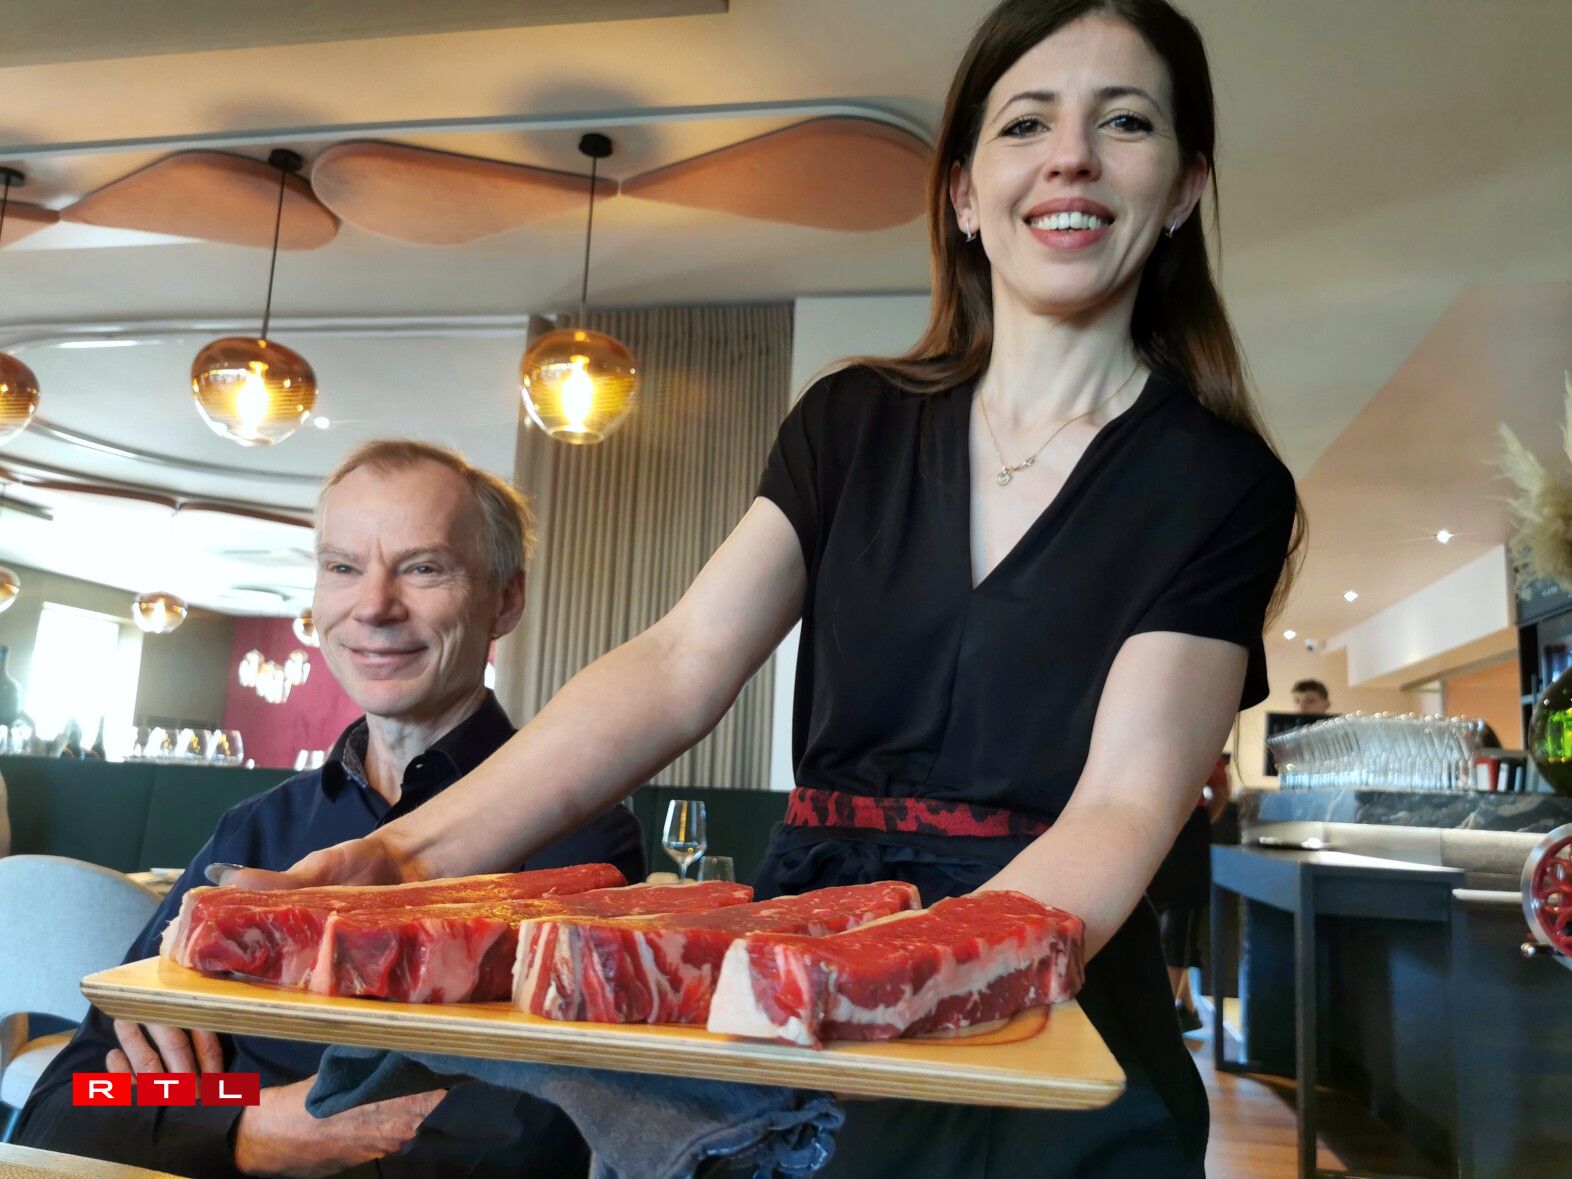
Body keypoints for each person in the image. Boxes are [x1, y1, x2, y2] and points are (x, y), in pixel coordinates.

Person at [230, 2, 1302, 1174]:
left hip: (1050, 988)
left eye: (1126, 122)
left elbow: (1123, 807)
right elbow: (681, 663)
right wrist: (404, 859)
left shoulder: (1219, 483)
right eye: (1026, 123)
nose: (1071, 158)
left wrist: (889, 977)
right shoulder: (851, 421)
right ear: (962, 193)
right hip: (794, 971)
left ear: (1185, 186)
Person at [16, 440, 645, 1178]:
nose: (373, 606)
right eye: (343, 567)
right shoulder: (257, 830)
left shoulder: (582, 841)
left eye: (423, 567)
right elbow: (66, 1102)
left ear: (505, 600)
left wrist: (198, 1107)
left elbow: (523, 1136)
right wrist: (246, 1122)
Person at [1150, 752, 1231, 1033]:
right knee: (1167, 922)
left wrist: (1197, 824)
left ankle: (1163, 1019)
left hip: (1181, 833)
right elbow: (1221, 792)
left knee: (1177, 923)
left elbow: (1220, 792)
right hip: (1163, 828)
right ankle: (1185, 1008)